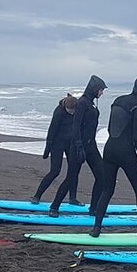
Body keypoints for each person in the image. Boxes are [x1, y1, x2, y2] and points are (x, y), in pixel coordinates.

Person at [90, 75, 137, 237]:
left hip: (109, 149)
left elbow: (112, 127)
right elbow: (136, 137)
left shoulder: (118, 100)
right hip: (126, 153)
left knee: (107, 190)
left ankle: (96, 229)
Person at [48, 75, 106, 215]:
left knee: (102, 176)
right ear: (93, 89)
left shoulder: (92, 103)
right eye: (101, 89)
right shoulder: (82, 103)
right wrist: (79, 146)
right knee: (71, 177)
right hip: (78, 146)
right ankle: (54, 207)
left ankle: (94, 209)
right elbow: (76, 126)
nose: (102, 93)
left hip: (91, 146)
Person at [32, 94, 79, 204]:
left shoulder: (76, 108)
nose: (73, 113)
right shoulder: (59, 112)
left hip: (70, 143)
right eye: (71, 111)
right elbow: (52, 130)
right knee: (55, 171)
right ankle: (37, 196)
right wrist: (47, 149)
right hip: (57, 144)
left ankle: (73, 198)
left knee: (73, 171)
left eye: (74, 111)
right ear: (66, 107)